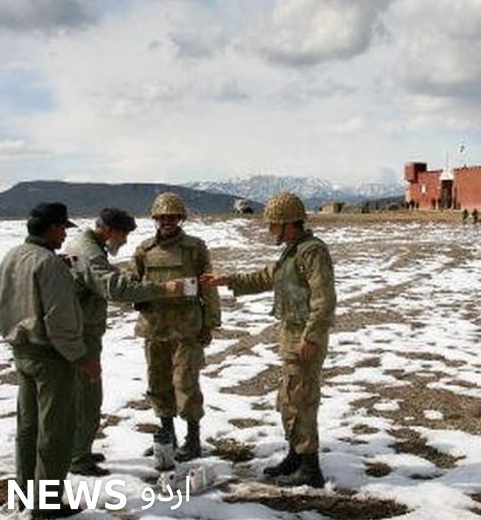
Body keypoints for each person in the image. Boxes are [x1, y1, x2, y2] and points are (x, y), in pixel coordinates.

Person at [201, 192, 336, 488]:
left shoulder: (312, 252)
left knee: (301, 399)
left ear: (289, 223)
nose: (271, 229)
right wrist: (228, 280)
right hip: (292, 333)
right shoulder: (292, 251)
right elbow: (266, 277)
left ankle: (310, 468)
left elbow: (324, 300)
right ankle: (296, 456)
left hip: (304, 336)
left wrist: (311, 337)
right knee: (289, 398)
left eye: (274, 224)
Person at [63, 207, 185, 476]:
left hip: (79, 326)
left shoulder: (86, 246)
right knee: (87, 396)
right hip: (81, 332)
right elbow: (114, 288)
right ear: (109, 230)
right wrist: (162, 289)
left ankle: (79, 449)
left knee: (82, 394)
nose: (125, 241)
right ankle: (78, 458)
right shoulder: (90, 252)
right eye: (124, 235)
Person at [0, 202, 85, 520]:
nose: (65, 235)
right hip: (51, 357)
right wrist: (78, 356)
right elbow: (59, 320)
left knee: (28, 427)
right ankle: (46, 503)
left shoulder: (12, 256)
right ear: (51, 228)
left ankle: (25, 492)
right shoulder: (48, 263)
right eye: (62, 228)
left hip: (21, 351)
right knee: (55, 430)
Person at [132, 193, 221, 470]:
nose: (167, 221)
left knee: (186, 383)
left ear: (180, 218)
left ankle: (193, 440)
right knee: (158, 383)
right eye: (162, 217)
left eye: (172, 217)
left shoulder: (195, 248)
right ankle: (167, 436)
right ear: (155, 219)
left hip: (187, 329)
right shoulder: (144, 250)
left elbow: (208, 286)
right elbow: (132, 284)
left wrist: (210, 323)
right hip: (155, 328)